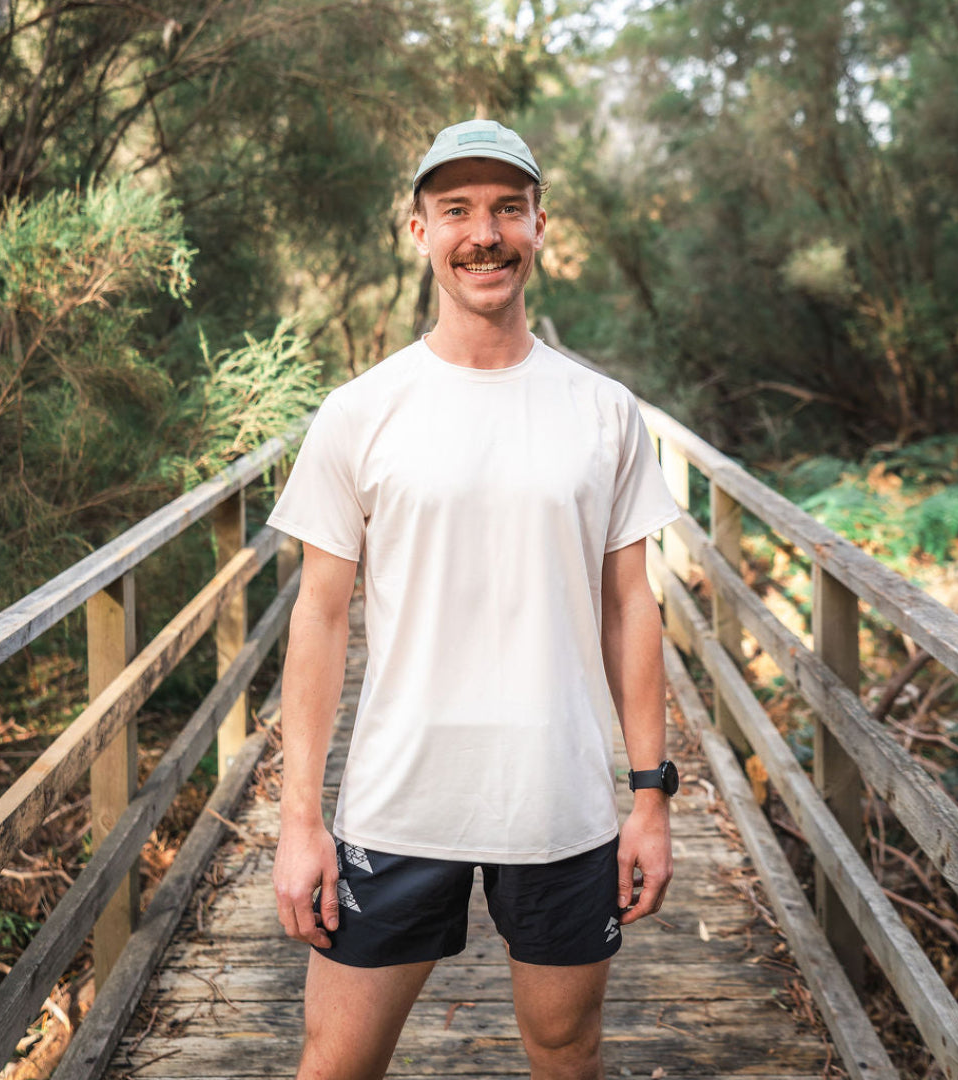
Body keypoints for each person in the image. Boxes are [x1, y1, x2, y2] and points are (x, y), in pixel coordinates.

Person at [268, 119, 680, 1080]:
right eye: (456, 210)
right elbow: (319, 617)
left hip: (560, 804)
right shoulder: (361, 412)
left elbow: (631, 607)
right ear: (419, 230)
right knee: (336, 1060)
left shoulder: (603, 411)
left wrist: (650, 799)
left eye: (507, 209)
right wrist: (299, 820)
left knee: (566, 1049)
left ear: (540, 225)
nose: (483, 234)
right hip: (398, 801)